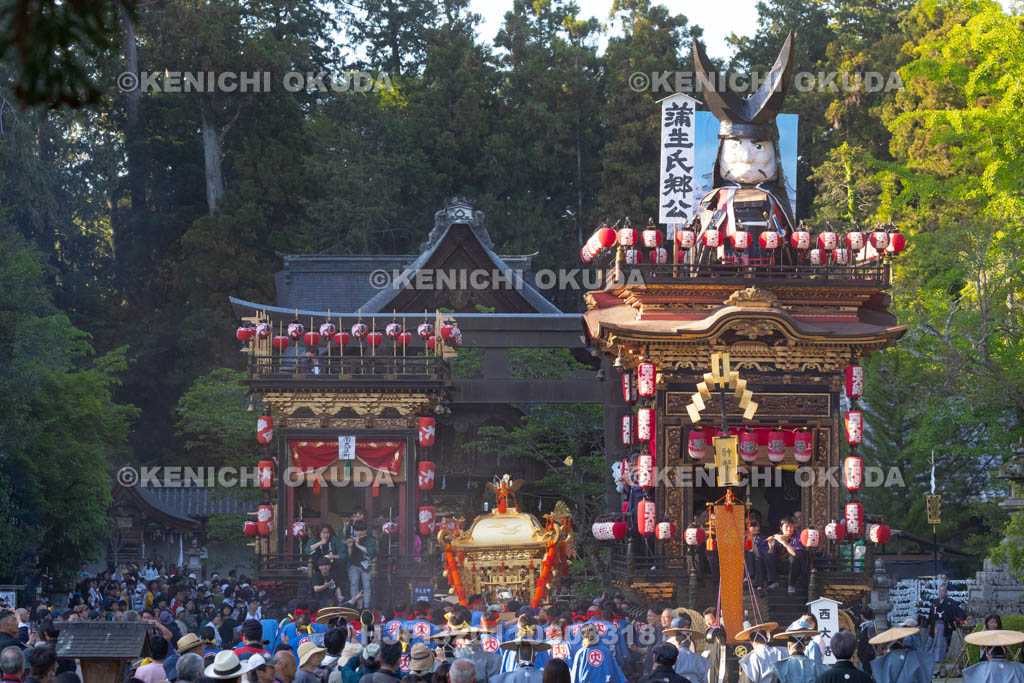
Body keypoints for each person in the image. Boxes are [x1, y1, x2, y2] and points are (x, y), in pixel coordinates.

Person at [925, 583, 962, 673]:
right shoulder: (935, 602)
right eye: (940, 591)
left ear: (946, 592)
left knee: (941, 643)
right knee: (931, 641)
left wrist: (960, 620)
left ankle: (939, 659)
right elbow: (931, 614)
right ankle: (930, 657)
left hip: (943, 626)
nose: (941, 592)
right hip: (934, 625)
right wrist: (929, 623)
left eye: (943, 591)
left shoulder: (950, 602)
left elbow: (956, 612)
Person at [767, 517, 806, 594]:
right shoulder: (777, 537)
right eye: (786, 527)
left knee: (794, 558)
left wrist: (784, 543)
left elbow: (795, 554)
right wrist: (771, 547)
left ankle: (791, 585)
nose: (789, 529)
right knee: (768, 556)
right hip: (780, 565)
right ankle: (774, 581)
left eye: (791, 526)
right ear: (781, 528)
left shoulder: (797, 537)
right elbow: (771, 556)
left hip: (793, 566)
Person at [344, 520, 376, 611]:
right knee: (354, 584)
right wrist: (350, 547)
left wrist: (357, 545)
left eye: (362, 530)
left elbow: (369, 552)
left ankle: (366, 607)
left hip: (366, 565)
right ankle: (356, 606)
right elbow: (348, 557)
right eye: (357, 530)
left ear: (365, 530)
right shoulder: (352, 539)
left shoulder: (370, 540)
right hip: (353, 565)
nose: (359, 532)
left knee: (367, 585)